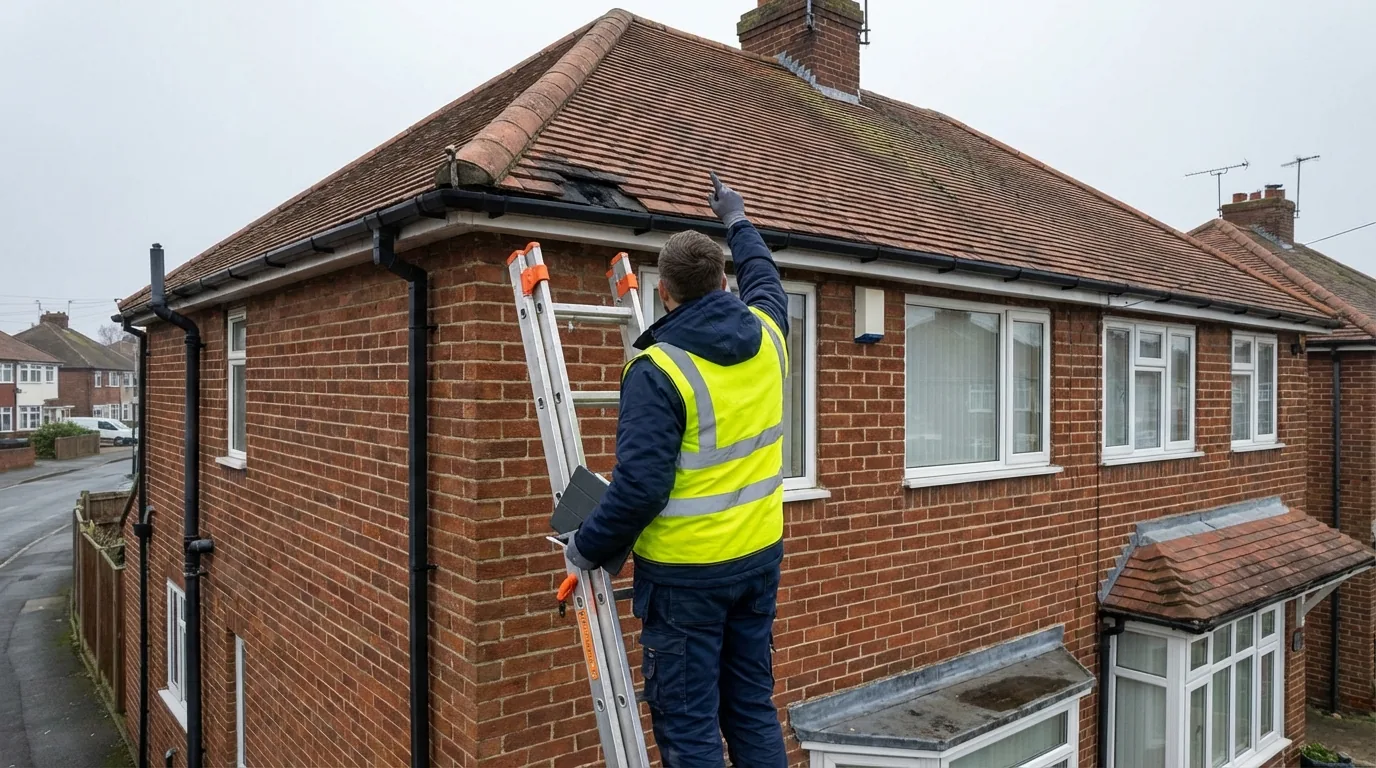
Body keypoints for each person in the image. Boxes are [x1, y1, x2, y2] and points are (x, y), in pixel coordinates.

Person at [563, 173, 790, 767]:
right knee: (750, 706)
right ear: (722, 282)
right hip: (759, 560)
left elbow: (640, 488)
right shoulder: (769, 336)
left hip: (688, 580)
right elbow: (765, 278)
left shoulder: (656, 369)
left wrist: (585, 546)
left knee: (689, 726)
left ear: (663, 293)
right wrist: (737, 218)